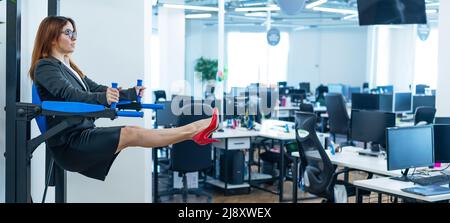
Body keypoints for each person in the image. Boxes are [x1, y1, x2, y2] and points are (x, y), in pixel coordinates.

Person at [29, 16, 217, 181]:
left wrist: (130, 93)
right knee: (131, 133)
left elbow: (96, 89)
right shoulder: (45, 66)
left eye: (74, 33)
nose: (74, 38)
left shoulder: (70, 68)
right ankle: (193, 131)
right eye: (68, 32)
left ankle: (194, 132)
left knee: (132, 132)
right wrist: (103, 97)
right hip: (69, 143)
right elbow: (70, 94)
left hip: (83, 133)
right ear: (52, 36)